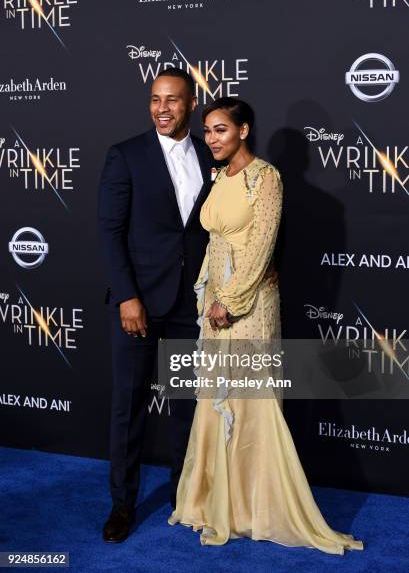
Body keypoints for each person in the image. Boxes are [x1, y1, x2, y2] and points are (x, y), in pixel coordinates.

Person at [169, 97, 364, 554]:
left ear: (244, 130)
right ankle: (216, 502)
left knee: (252, 402)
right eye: (209, 130)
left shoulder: (267, 179)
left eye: (220, 130)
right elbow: (216, 244)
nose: (212, 139)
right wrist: (207, 295)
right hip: (214, 305)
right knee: (217, 400)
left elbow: (259, 247)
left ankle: (257, 507)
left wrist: (230, 301)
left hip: (250, 307)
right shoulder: (220, 176)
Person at [97, 68, 214, 543]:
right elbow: (110, 231)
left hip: (191, 305)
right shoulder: (125, 156)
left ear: (191, 103)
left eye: (172, 100)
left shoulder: (212, 156)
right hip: (139, 303)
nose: (161, 108)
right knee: (129, 408)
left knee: (188, 407)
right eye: (154, 99)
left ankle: (183, 497)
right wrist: (127, 296)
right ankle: (123, 506)